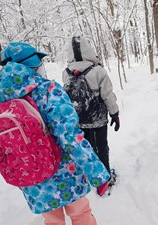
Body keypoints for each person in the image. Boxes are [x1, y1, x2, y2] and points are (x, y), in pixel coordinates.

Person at [0, 42, 110, 225]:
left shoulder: (2, 99)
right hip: (66, 175)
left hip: (34, 180)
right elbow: (70, 137)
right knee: (81, 215)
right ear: (32, 64)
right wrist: (98, 174)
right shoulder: (49, 91)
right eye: (40, 61)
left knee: (52, 221)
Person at [62, 36, 119, 192]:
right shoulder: (98, 71)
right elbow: (108, 95)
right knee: (102, 147)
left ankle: (91, 177)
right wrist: (115, 114)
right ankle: (105, 180)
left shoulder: (66, 73)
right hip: (98, 120)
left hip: (79, 120)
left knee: (87, 149)